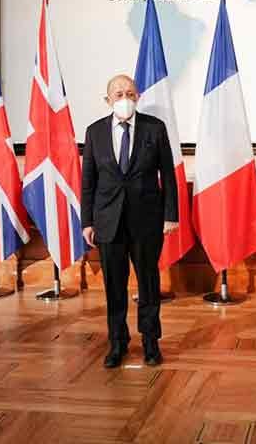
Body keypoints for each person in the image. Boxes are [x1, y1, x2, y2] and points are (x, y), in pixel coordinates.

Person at [81, 75, 178, 368]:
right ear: (107, 100)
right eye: (118, 93)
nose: (125, 98)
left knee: (148, 284)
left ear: (137, 96)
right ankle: (117, 343)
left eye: (130, 93)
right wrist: (87, 222)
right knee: (114, 286)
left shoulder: (154, 128)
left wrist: (170, 215)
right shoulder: (94, 132)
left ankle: (150, 343)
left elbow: (169, 177)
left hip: (146, 222)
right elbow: (88, 182)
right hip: (108, 222)